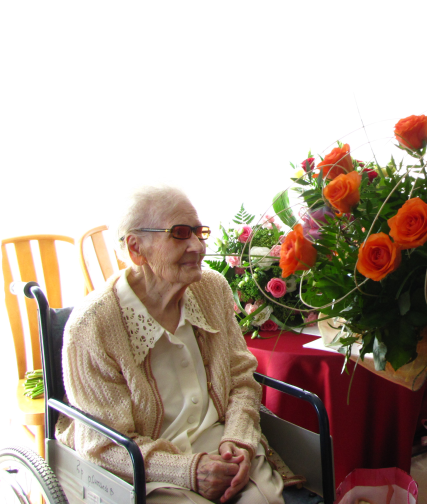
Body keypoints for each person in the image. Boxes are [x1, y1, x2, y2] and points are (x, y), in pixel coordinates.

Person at [57, 186, 303, 504]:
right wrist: (189, 471)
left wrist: (239, 440)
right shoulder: (92, 327)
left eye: (199, 233)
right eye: (180, 234)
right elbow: (103, 447)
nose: (197, 246)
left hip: (225, 447)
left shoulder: (212, 289)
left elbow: (242, 379)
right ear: (136, 248)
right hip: (148, 471)